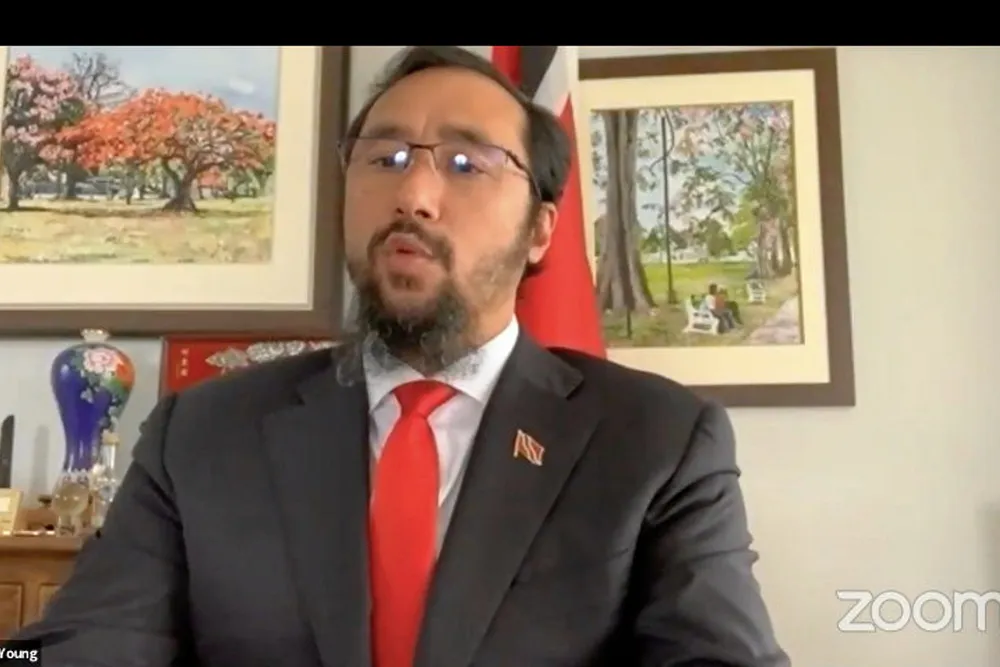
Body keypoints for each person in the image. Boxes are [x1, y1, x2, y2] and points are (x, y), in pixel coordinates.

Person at [10, 46, 789, 667]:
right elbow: (79, 644)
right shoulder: (202, 434)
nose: (413, 194)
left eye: (466, 163)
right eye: (383, 158)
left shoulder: (656, 441)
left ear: (541, 230)